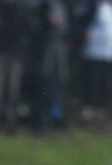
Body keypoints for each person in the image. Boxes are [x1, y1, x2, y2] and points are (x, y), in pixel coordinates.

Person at [0, 0, 27, 131]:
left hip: (16, 55)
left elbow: (24, 31)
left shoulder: (21, 11)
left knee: (13, 89)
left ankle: (10, 120)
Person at [75, 0, 112, 127]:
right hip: (93, 52)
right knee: (91, 82)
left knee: (105, 83)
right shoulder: (92, 6)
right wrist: (83, 33)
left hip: (109, 54)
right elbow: (80, 22)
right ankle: (88, 111)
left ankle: (101, 111)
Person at [27, 0, 70, 133]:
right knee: (43, 88)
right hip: (44, 53)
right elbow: (34, 26)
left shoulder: (60, 5)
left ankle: (55, 119)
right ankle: (41, 122)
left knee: (57, 88)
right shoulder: (38, 5)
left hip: (58, 53)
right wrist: (47, 20)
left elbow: (66, 27)